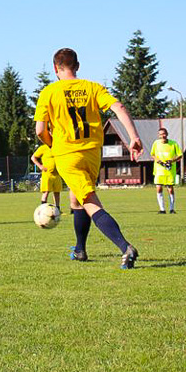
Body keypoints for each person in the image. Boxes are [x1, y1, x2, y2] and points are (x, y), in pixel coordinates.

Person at [34, 48, 144, 268]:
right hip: (93, 153)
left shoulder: (49, 91)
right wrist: (133, 137)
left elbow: (39, 130)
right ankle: (80, 250)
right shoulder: (93, 88)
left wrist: (52, 144)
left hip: (67, 154)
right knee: (76, 199)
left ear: (56, 68)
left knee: (90, 202)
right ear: (78, 66)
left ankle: (125, 247)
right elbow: (118, 107)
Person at [150, 127, 182, 214]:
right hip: (159, 170)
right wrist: (159, 161)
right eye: (160, 134)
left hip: (169, 170)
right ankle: (162, 209)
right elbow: (152, 154)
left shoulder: (173, 143)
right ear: (158, 135)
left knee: (170, 189)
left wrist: (171, 160)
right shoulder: (156, 143)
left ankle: (172, 209)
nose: (162, 136)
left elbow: (180, 155)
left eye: (164, 134)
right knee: (159, 188)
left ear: (167, 134)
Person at [30, 142, 62, 211]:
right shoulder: (43, 148)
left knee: (57, 192)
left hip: (57, 174)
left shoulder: (58, 146)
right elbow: (33, 157)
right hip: (47, 174)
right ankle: (43, 208)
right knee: (46, 192)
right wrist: (40, 166)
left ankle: (57, 209)